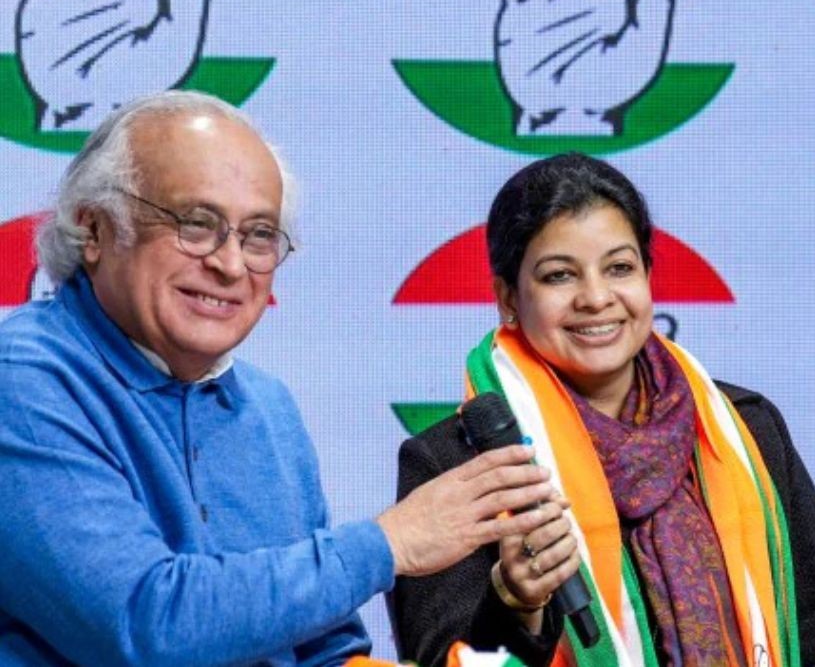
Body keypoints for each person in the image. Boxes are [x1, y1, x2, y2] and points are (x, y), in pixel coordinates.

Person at [0, 90, 557, 665]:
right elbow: (148, 626)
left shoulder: (267, 406)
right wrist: (390, 543)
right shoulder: (23, 382)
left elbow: (325, 651)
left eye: (259, 235)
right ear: (95, 230)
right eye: (196, 224)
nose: (230, 264)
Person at [388, 153, 815, 666]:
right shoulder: (453, 464)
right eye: (560, 276)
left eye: (619, 268)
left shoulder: (745, 426)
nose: (596, 297)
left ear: (648, 276)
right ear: (508, 298)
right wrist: (515, 606)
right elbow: (440, 661)